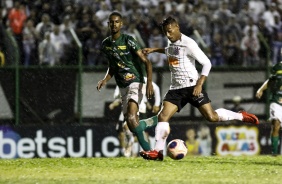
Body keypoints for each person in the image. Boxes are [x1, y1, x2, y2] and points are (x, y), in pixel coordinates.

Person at [139, 16, 259, 161]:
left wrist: (199, 83)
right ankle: (157, 152)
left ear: (177, 27)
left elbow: (207, 63)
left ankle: (240, 115)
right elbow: (172, 51)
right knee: (163, 116)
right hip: (176, 88)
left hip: (192, 86)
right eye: (165, 32)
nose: (168, 35)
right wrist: (154, 50)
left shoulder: (189, 43)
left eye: (170, 31)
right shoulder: (171, 42)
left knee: (212, 117)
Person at [97, 12, 157, 152]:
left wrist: (148, 83)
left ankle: (150, 153)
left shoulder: (128, 40)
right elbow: (112, 66)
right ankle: (157, 119)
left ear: (121, 24)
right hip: (122, 85)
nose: (114, 24)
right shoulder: (105, 44)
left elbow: (147, 62)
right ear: (108, 24)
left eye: (117, 22)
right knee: (131, 124)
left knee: (131, 115)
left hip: (136, 81)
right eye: (111, 22)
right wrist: (105, 79)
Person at [256, 61, 282, 156]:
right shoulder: (277, 67)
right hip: (276, 100)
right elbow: (270, 80)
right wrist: (261, 89)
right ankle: (274, 153)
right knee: (276, 124)